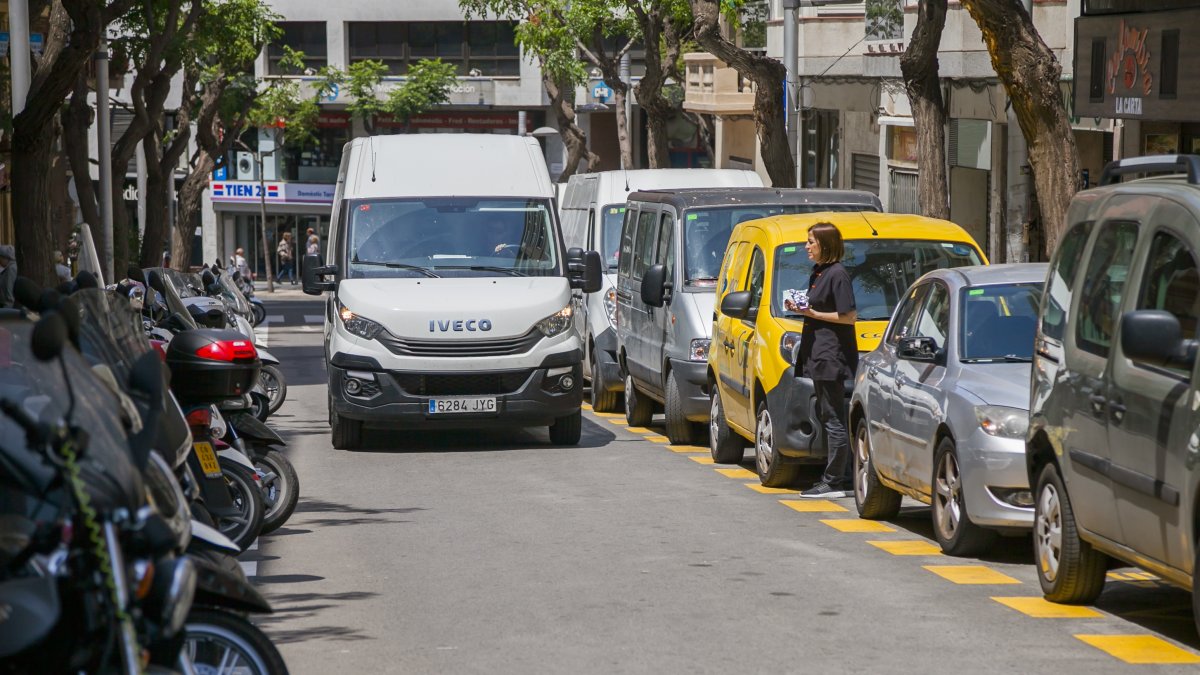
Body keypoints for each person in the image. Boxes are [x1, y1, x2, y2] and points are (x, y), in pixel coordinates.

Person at [791, 222, 858, 499]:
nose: (806, 246)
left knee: (834, 419)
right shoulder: (819, 272)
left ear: (825, 245)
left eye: (811, 242)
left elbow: (849, 316)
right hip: (818, 355)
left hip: (831, 357)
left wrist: (813, 314)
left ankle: (836, 481)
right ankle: (837, 475)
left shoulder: (838, 274)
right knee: (828, 415)